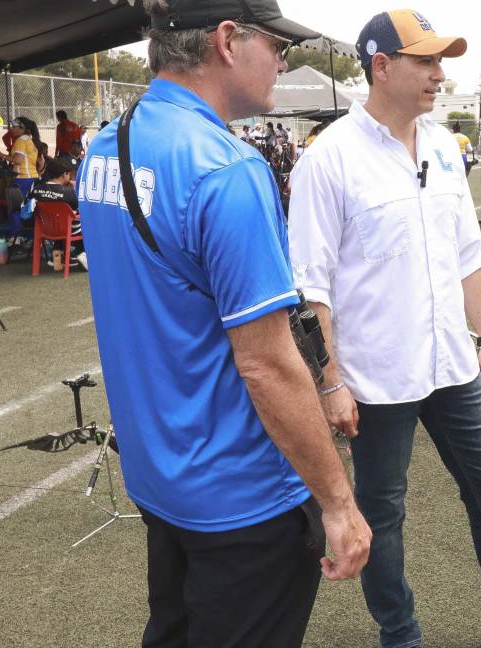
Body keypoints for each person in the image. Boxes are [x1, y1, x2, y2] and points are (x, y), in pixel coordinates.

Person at [288, 9, 481, 648]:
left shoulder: (441, 146)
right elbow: (311, 287)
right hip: (375, 378)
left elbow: (467, 256)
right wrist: (330, 383)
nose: (439, 73)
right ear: (382, 66)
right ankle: (399, 635)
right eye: (425, 61)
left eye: (439, 60)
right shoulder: (329, 161)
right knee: (384, 515)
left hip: (451, 365)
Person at [77, 1, 370, 646]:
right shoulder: (227, 168)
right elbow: (265, 362)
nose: (285, 59)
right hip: (240, 493)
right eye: (277, 44)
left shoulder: (105, 143)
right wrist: (339, 504)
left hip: (160, 476)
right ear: (228, 41)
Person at [30, 156, 88, 270]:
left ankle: (57, 255)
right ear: (64, 174)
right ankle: (82, 253)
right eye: (69, 174)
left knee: (61, 219)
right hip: (68, 229)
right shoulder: (69, 193)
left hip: (44, 228)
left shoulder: (36, 189)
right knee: (85, 220)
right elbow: (81, 210)